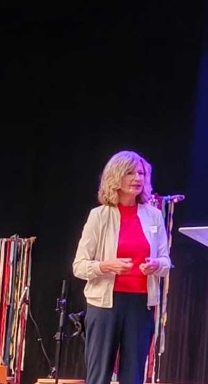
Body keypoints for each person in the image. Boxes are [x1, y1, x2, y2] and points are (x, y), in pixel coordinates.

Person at [72, 150, 171, 384]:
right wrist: (107, 265)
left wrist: (156, 265)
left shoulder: (154, 216)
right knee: (99, 376)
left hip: (140, 304)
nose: (137, 178)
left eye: (141, 173)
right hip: (105, 305)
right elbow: (79, 266)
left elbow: (166, 262)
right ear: (115, 177)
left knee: (133, 376)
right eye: (130, 173)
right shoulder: (99, 216)